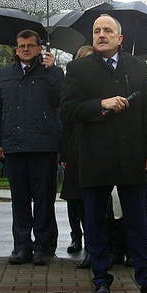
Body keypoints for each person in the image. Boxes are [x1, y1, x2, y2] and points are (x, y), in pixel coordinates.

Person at [60, 15, 147, 293]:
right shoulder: (78, 68)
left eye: (107, 30)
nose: (101, 35)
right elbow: (68, 112)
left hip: (132, 157)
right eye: (97, 31)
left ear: (119, 38)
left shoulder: (137, 66)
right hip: (95, 158)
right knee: (96, 226)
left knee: (138, 225)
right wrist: (101, 104)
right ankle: (101, 281)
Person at [0, 29, 63, 266]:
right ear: (16, 49)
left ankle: (42, 246)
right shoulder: (4, 74)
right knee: (19, 200)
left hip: (43, 146)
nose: (26, 49)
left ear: (40, 48)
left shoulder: (51, 72)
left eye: (31, 45)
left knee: (43, 200)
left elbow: (60, 100)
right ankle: (21, 246)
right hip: (14, 146)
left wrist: (53, 71)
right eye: (22, 46)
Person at [60, 45, 93, 260]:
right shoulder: (72, 82)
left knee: (89, 198)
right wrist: (63, 153)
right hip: (74, 145)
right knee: (73, 197)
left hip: (92, 144)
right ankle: (75, 236)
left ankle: (92, 240)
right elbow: (65, 120)